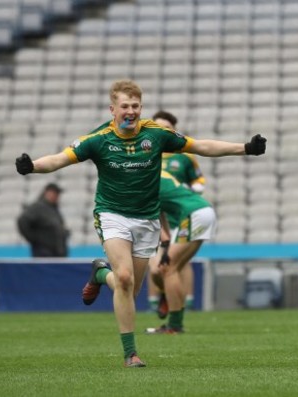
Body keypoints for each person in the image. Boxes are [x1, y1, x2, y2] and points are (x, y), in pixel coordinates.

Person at [14, 79, 267, 368]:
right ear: (113, 109)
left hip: (147, 220)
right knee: (124, 278)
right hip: (112, 215)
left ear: (141, 108)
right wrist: (32, 166)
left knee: (128, 291)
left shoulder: (156, 134)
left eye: (135, 106)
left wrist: (245, 148)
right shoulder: (98, 139)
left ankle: (99, 275)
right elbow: (61, 158)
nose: (131, 111)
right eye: (125, 106)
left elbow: (201, 146)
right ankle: (130, 354)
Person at [144, 170, 217, 334]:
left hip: (193, 215)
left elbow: (151, 214)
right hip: (202, 211)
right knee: (169, 269)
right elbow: (160, 211)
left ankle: (174, 325)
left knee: (168, 268)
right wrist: (166, 240)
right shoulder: (158, 174)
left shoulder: (143, 180)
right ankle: (173, 316)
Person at [147, 110, 205, 313]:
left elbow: (198, 180)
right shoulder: (146, 154)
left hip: (179, 214)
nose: (162, 131)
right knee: (155, 262)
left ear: (173, 131)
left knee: (180, 262)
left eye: (167, 128)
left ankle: (185, 302)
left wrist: (192, 189)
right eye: (158, 127)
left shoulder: (185, 156)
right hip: (156, 214)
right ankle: (158, 300)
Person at [17, 182, 69, 257]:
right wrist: (35, 240)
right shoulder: (38, 207)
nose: (57, 196)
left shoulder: (53, 209)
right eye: (55, 193)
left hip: (56, 254)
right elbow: (22, 221)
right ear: (47, 193)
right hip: (44, 254)